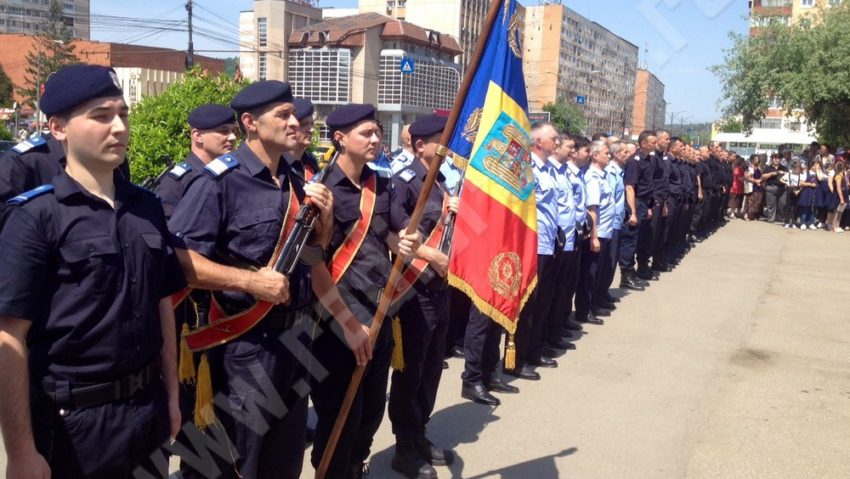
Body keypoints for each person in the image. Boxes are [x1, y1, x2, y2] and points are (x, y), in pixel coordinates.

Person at [0, 64, 185, 478]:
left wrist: (172, 396)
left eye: (123, 114)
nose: (118, 127)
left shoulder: (147, 208)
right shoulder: (35, 217)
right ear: (59, 128)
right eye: (101, 116)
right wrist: (21, 451)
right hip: (74, 424)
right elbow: (9, 338)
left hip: (147, 410)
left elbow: (163, 304)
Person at [168, 80, 336, 479]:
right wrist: (249, 283)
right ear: (250, 123)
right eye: (283, 115)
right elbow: (178, 261)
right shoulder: (219, 182)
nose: (295, 122)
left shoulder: (297, 179)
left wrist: (325, 225)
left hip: (294, 343)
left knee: (283, 463)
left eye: (294, 114)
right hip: (242, 349)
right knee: (237, 464)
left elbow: (311, 257)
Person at [307, 103, 419, 479]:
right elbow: (314, 264)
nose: (375, 138)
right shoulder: (321, 191)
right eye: (366, 133)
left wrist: (403, 242)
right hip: (337, 319)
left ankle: (355, 467)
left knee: (371, 410)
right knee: (340, 413)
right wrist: (347, 323)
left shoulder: (382, 183)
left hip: (381, 309)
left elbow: (386, 232)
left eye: (376, 132)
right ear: (340, 139)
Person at [387, 114, 459, 479]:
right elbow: (396, 231)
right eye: (438, 140)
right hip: (413, 291)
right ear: (419, 145)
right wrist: (430, 254)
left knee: (432, 367)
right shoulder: (404, 183)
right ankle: (403, 445)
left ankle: (419, 432)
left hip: (440, 288)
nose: (445, 148)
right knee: (411, 371)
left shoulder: (442, 182)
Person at [506, 122, 561, 381]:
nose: (558, 142)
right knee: (527, 305)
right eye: (554, 138)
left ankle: (534, 351)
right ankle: (516, 359)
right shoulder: (526, 169)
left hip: (549, 242)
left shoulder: (550, 169)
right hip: (532, 245)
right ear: (538, 142)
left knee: (542, 302)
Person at [155, 104, 237, 220]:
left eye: (233, 131)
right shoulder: (178, 183)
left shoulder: (231, 174)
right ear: (198, 136)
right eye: (224, 131)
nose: (232, 137)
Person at [575, 141, 615, 324]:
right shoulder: (592, 177)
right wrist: (594, 236)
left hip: (606, 231)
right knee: (589, 273)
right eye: (606, 153)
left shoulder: (602, 175)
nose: (609, 155)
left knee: (597, 272)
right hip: (597, 233)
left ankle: (591, 306)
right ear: (595, 155)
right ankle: (584, 310)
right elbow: (592, 209)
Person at [285, 97, 322, 183]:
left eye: (312, 124)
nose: (311, 130)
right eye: (304, 124)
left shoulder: (311, 161)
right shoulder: (279, 164)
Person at [761, 153, 786, 223]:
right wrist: (771, 174)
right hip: (770, 187)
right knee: (771, 204)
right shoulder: (767, 168)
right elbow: (762, 177)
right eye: (775, 158)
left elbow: (788, 175)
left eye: (778, 158)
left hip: (782, 188)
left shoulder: (783, 167)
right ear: (772, 159)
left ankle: (781, 218)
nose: (776, 160)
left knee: (782, 204)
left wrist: (783, 173)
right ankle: (771, 219)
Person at [781, 160, 804, 228]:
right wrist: (786, 183)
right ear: (793, 168)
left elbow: (802, 184)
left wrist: (799, 190)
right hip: (790, 190)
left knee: (795, 207)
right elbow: (781, 179)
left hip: (797, 191)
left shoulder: (801, 176)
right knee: (788, 206)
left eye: (799, 169)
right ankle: (787, 222)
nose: (798, 170)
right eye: (797, 169)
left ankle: (794, 222)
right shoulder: (789, 174)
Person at [797, 161, 818, 229]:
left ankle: (811, 222)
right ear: (811, 166)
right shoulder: (806, 173)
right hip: (806, 192)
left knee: (813, 208)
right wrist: (810, 184)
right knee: (805, 207)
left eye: (817, 166)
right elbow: (801, 183)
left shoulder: (818, 174)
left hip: (815, 193)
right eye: (814, 166)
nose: (815, 167)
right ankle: (803, 222)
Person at [744, 156, 763, 221]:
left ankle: (754, 214)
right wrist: (755, 181)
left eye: (758, 159)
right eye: (756, 159)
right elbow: (747, 177)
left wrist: (760, 181)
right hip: (752, 185)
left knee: (757, 201)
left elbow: (761, 176)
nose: (757, 160)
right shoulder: (750, 168)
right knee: (749, 201)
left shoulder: (759, 168)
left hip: (758, 186)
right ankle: (747, 214)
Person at [829, 161, 846, 233]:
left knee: (840, 211)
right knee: (836, 211)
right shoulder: (838, 176)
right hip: (838, 196)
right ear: (842, 168)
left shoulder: (843, 176)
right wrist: (841, 198)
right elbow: (838, 188)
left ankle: (837, 226)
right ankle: (833, 227)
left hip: (843, 195)